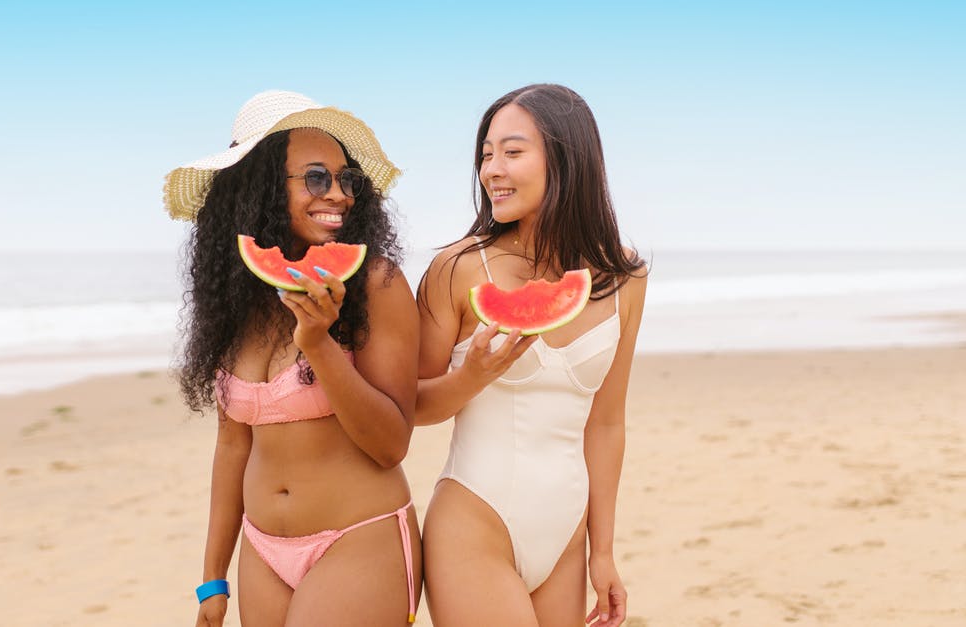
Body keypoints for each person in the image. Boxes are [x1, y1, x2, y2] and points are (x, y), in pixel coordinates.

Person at [164, 90, 421, 627]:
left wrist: (321, 344)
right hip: (261, 553)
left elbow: (391, 443)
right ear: (257, 189)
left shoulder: (376, 283)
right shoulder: (239, 302)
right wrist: (213, 578)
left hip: (358, 539)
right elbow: (232, 446)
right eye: (316, 178)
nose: (339, 195)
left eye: (346, 179)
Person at [415, 84, 647, 627]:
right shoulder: (459, 269)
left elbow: (607, 423)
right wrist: (471, 376)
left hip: (565, 534)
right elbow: (409, 408)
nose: (492, 169)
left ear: (567, 159)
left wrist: (603, 552)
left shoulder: (625, 276)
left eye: (512, 152)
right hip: (474, 519)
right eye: (486, 154)